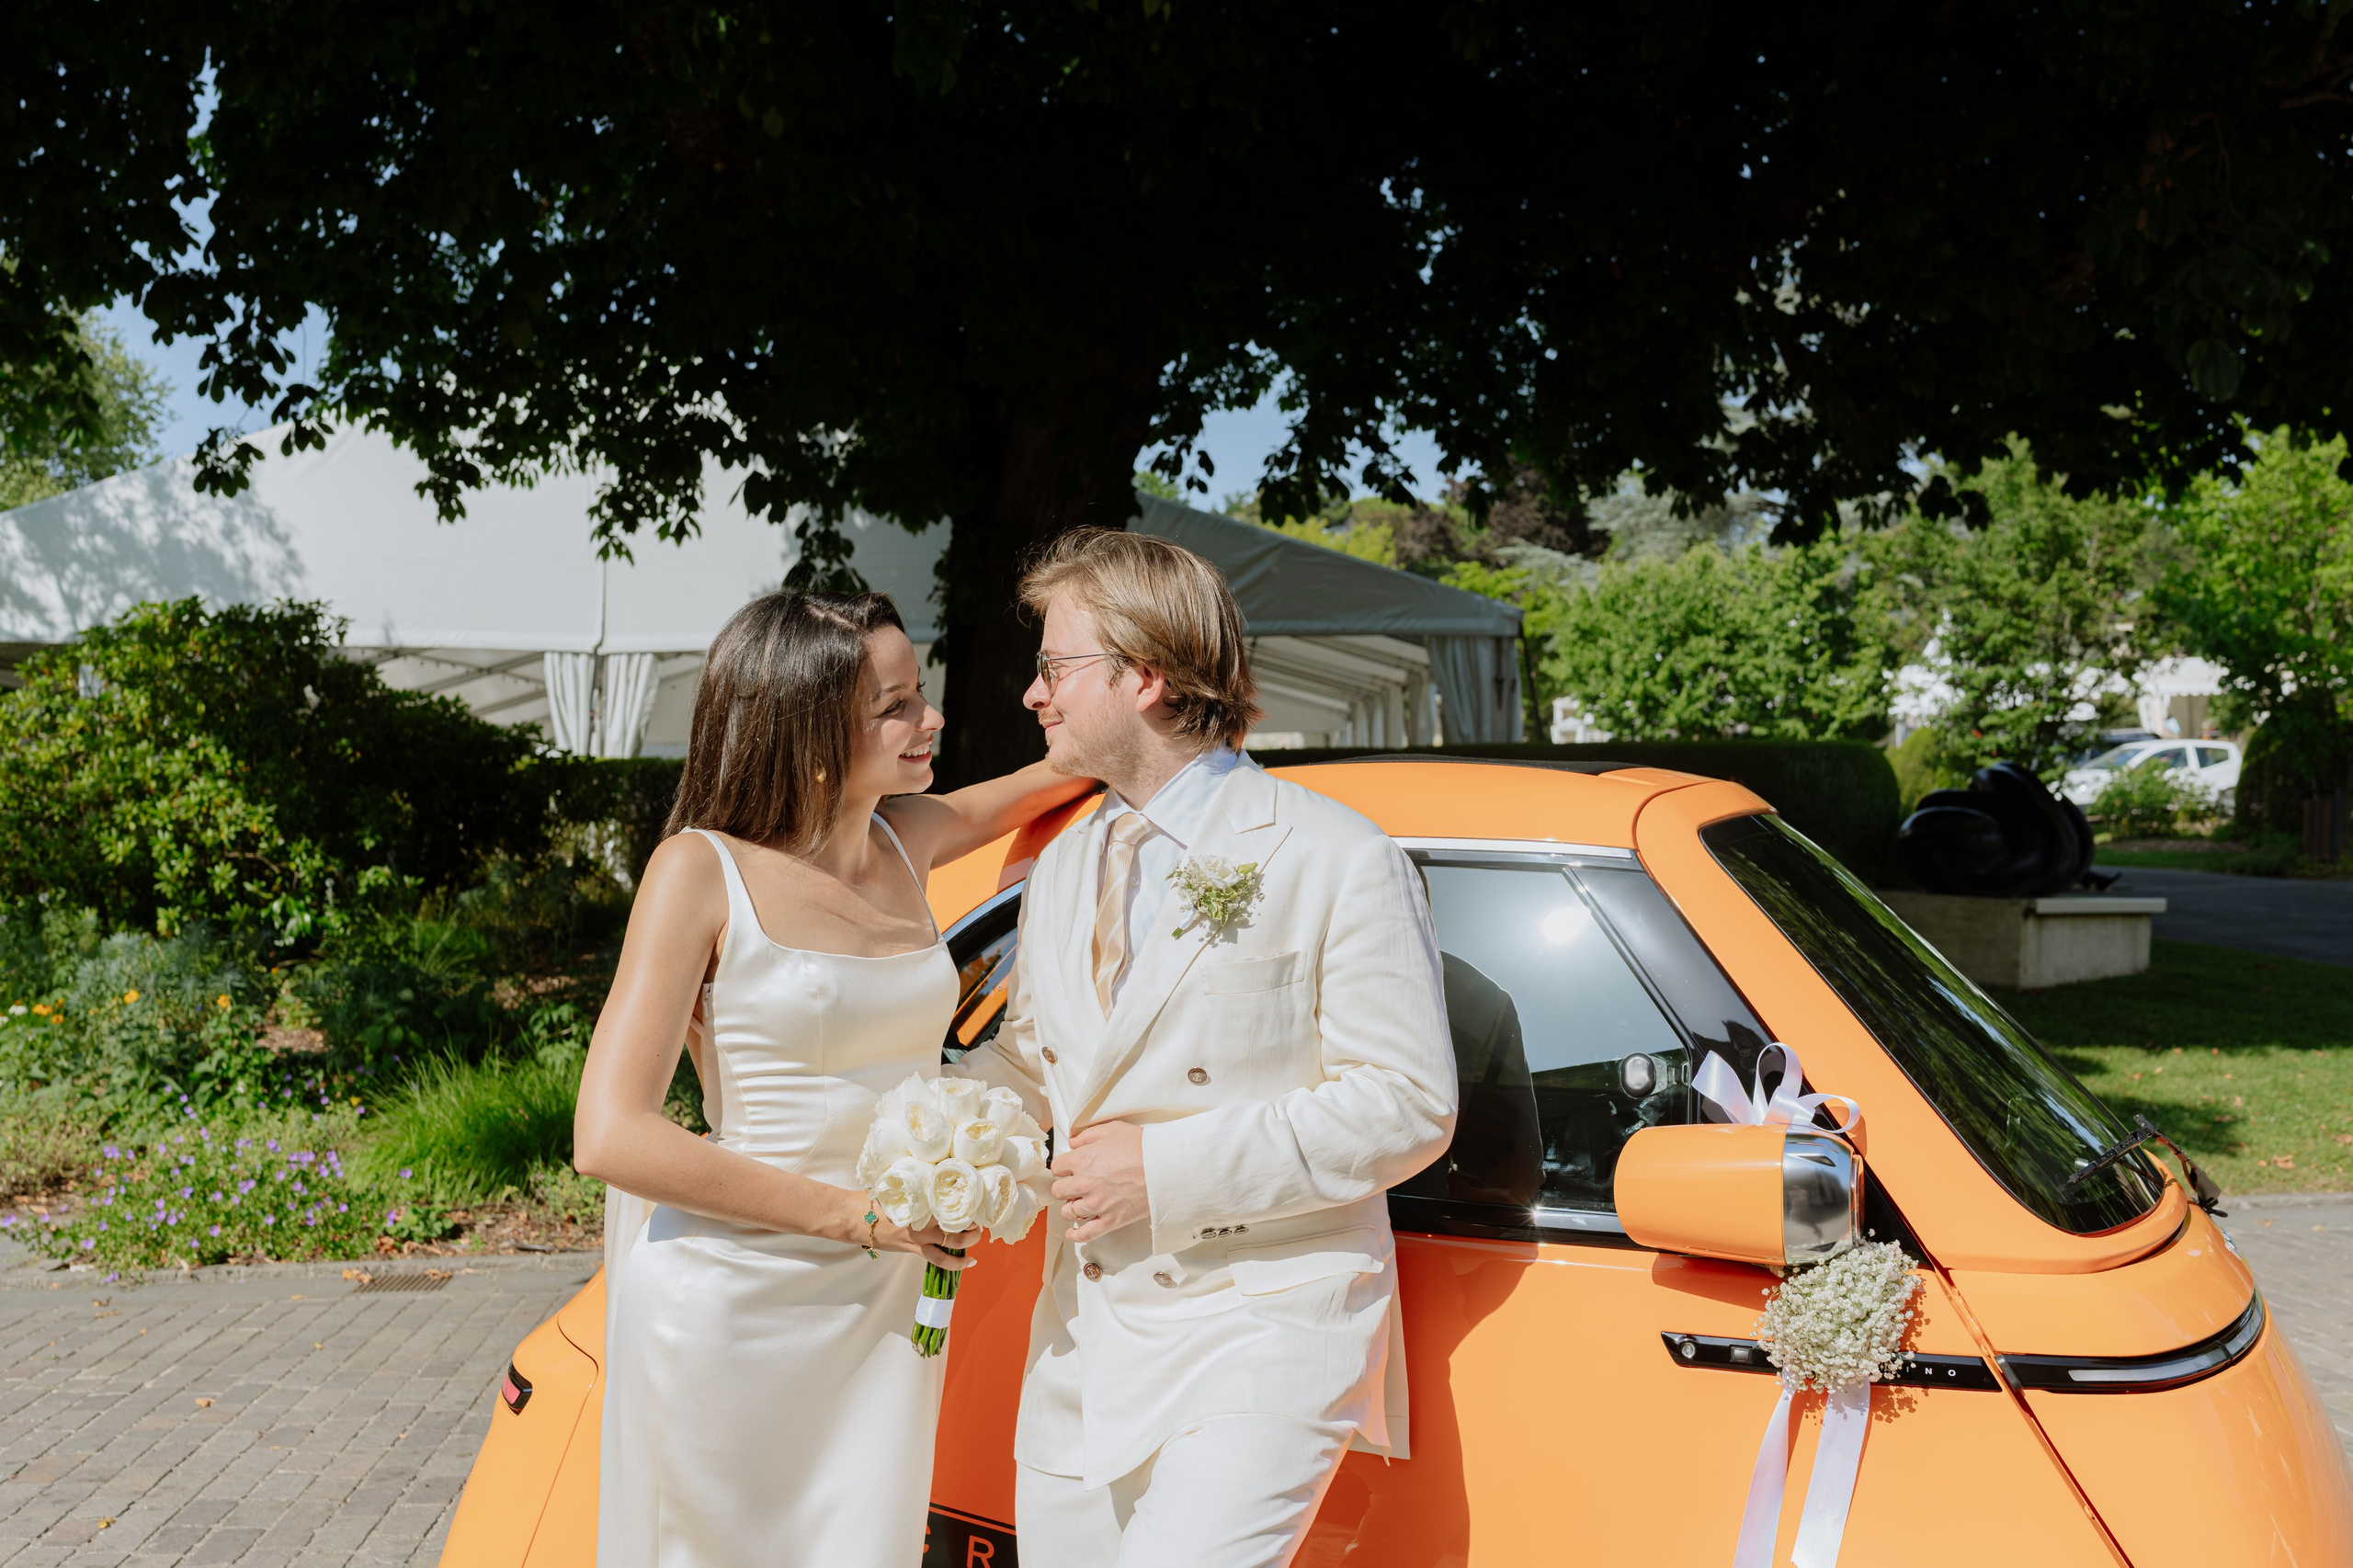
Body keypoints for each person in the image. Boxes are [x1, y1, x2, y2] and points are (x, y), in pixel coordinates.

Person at [953, 528, 1458, 1568]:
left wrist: (1166, 1168)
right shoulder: (1060, 867)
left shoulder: (1335, 854)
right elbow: (1034, 1059)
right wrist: (930, 1130)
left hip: (1259, 1332)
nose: (1031, 696)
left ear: (1142, 674)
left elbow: (1407, 1101)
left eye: (1054, 668)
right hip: (1081, 1341)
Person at [574, 589, 1092, 1568]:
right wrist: (855, 1217)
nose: (930, 718)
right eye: (895, 706)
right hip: (733, 1304)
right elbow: (609, 1133)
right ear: (808, 730)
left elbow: (1050, 776)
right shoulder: (698, 871)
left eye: (919, 692)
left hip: (887, 1306)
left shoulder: (910, 837)